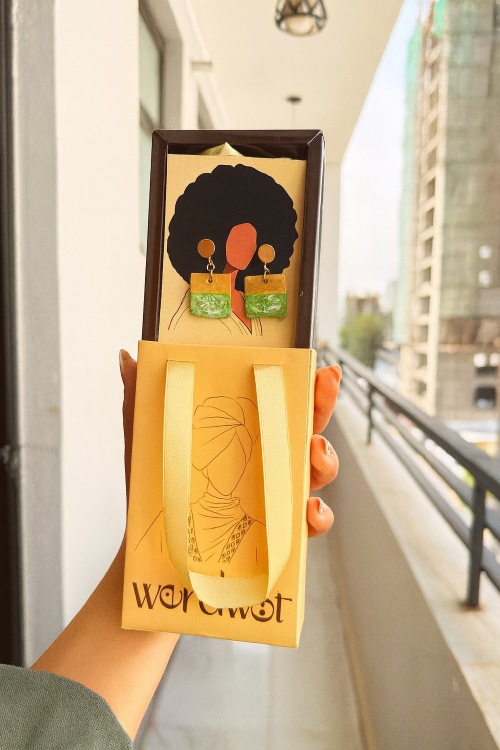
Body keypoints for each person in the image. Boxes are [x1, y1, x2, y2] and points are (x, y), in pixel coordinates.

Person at [0, 351, 341, 747]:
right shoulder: (168, 527)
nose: (230, 462)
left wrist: (145, 566)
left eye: (238, 449)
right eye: (220, 450)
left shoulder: (256, 531)